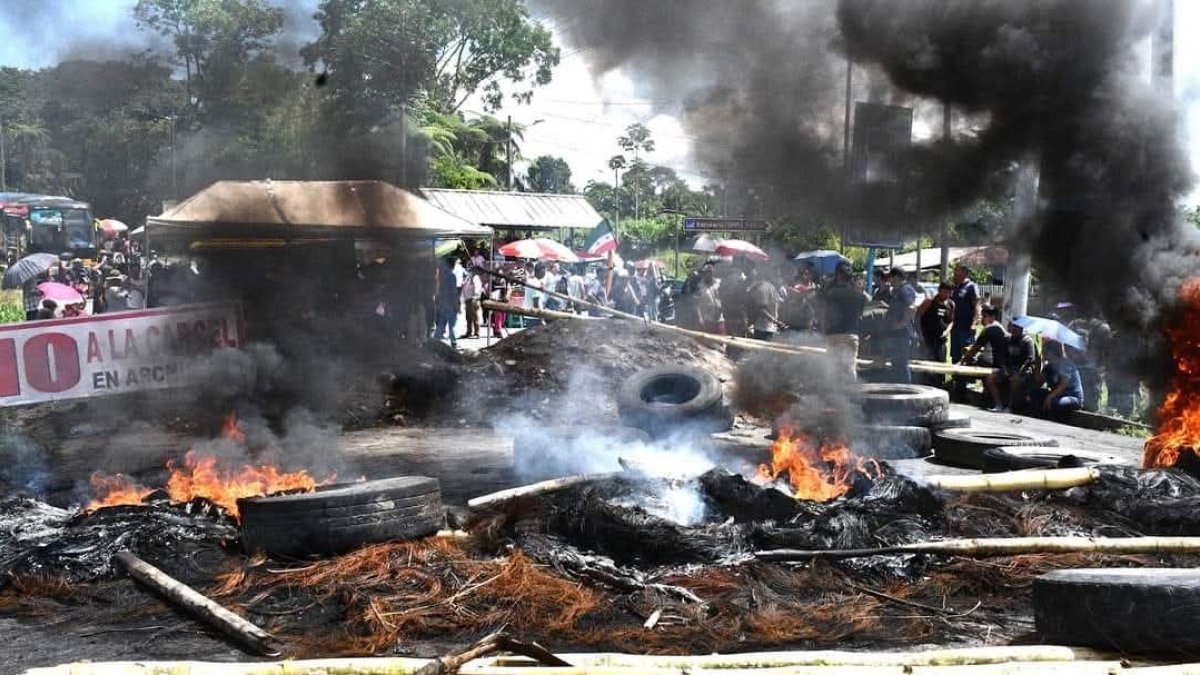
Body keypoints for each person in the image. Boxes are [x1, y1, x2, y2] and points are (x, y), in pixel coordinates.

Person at [818, 261, 869, 382]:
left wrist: (823, 329)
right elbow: (861, 313)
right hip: (851, 335)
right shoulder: (859, 295)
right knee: (850, 368)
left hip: (833, 335)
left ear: (838, 275)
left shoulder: (830, 294)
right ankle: (852, 396)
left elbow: (822, 313)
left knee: (832, 369)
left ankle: (834, 396)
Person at [982, 321, 1038, 413]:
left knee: (1014, 381)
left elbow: (1030, 360)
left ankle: (1010, 407)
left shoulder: (1027, 341)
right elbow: (1002, 357)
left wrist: (1019, 373)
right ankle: (998, 404)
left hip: (1023, 372)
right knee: (990, 378)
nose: (1014, 330)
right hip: (1008, 369)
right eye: (1013, 328)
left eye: (1016, 328)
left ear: (1021, 329)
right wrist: (1004, 369)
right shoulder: (1007, 339)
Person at [1032, 341, 1085, 417]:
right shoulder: (1048, 367)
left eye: (1045, 351)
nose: (1043, 353)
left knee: (1054, 403)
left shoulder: (1066, 364)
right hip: (1057, 395)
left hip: (1071, 397)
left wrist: (1049, 397)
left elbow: (1063, 385)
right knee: (1035, 392)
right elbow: (1039, 382)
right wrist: (1038, 364)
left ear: (1052, 352)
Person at [917, 281, 956, 383]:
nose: (947, 294)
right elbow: (917, 317)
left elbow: (951, 321)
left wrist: (947, 331)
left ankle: (939, 385)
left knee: (940, 364)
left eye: (949, 292)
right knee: (926, 364)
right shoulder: (929, 302)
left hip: (941, 340)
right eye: (945, 291)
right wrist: (920, 335)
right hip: (927, 338)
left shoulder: (951, 304)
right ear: (939, 290)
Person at [883, 268, 918, 383]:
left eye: (890, 278)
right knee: (896, 364)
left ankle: (906, 392)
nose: (889, 281)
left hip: (902, 334)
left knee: (902, 365)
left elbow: (911, 308)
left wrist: (901, 324)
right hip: (896, 334)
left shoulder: (905, 290)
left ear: (896, 277)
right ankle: (898, 390)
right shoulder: (898, 290)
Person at [949, 264, 982, 364]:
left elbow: (977, 306)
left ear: (965, 272)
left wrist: (974, 323)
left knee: (967, 353)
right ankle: (956, 377)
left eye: (957, 270)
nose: (954, 272)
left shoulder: (971, 287)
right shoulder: (954, 286)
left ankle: (967, 379)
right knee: (955, 354)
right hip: (955, 327)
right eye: (955, 270)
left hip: (966, 328)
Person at [746, 265, 784, 340]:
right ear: (770, 275)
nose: (779, 278)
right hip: (764, 330)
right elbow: (761, 309)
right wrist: (776, 322)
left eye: (779, 275)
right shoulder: (764, 287)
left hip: (770, 328)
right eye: (776, 275)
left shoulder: (771, 287)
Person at [433, 256, 460, 347]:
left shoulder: (441, 275)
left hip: (442, 303)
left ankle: (435, 341)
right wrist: (456, 304)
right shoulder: (452, 276)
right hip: (450, 304)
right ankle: (454, 342)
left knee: (441, 324)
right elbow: (453, 291)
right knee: (452, 325)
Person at [694, 262, 723, 334]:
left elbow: (725, 298)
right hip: (707, 319)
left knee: (721, 340)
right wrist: (700, 317)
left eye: (710, 272)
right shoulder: (700, 286)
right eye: (706, 272)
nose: (709, 274)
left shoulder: (719, 283)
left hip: (720, 318)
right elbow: (697, 304)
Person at [460, 265, 483, 339]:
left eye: (470, 270)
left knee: (474, 316)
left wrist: (475, 297)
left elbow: (478, 288)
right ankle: (469, 332)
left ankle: (477, 333)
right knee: (468, 317)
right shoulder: (468, 278)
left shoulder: (475, 278)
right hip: (467, 299)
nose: (469, 271)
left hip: (473, 299)